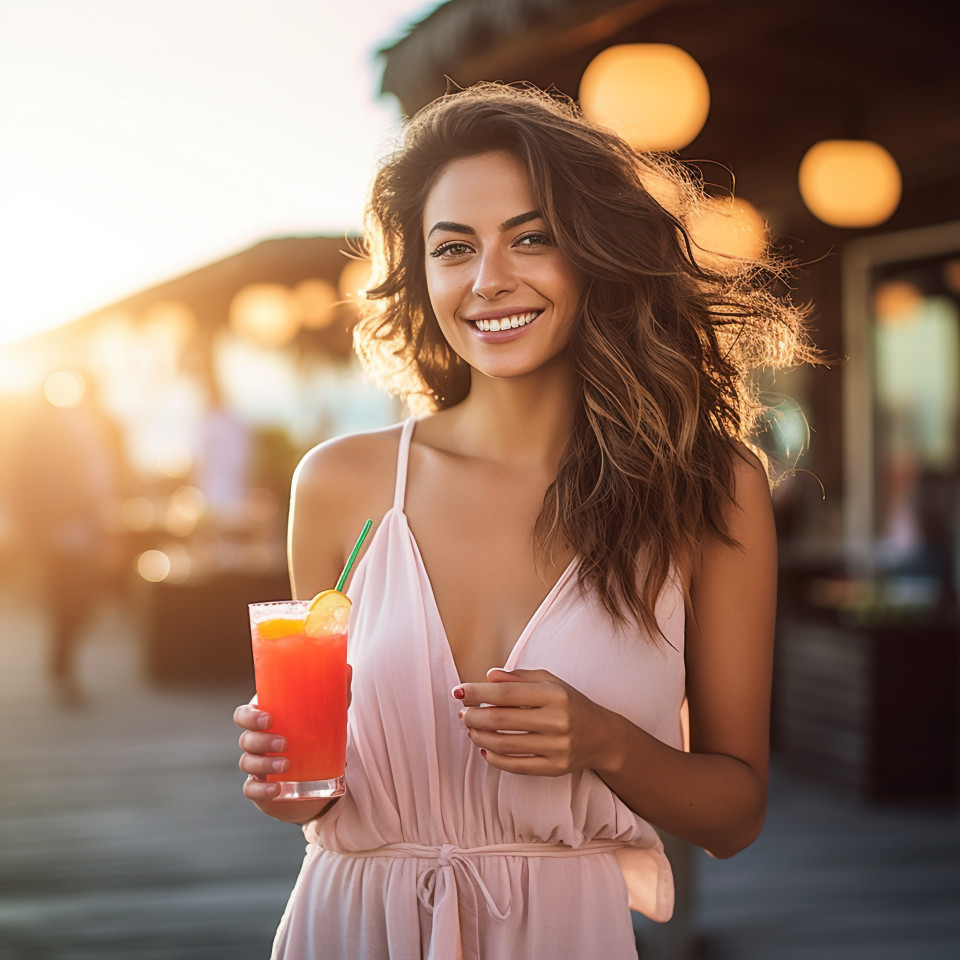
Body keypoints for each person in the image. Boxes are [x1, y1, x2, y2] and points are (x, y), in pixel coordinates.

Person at [234, 83, 815, 959]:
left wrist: (607, 743)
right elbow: (318, 792)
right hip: (349, 926)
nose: (487, 280)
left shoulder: (709, 489)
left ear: (594, 253)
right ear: (423, 276)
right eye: (453, 248)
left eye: (530, 238)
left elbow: (735, 815)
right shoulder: (341, 484)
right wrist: (285, 781)